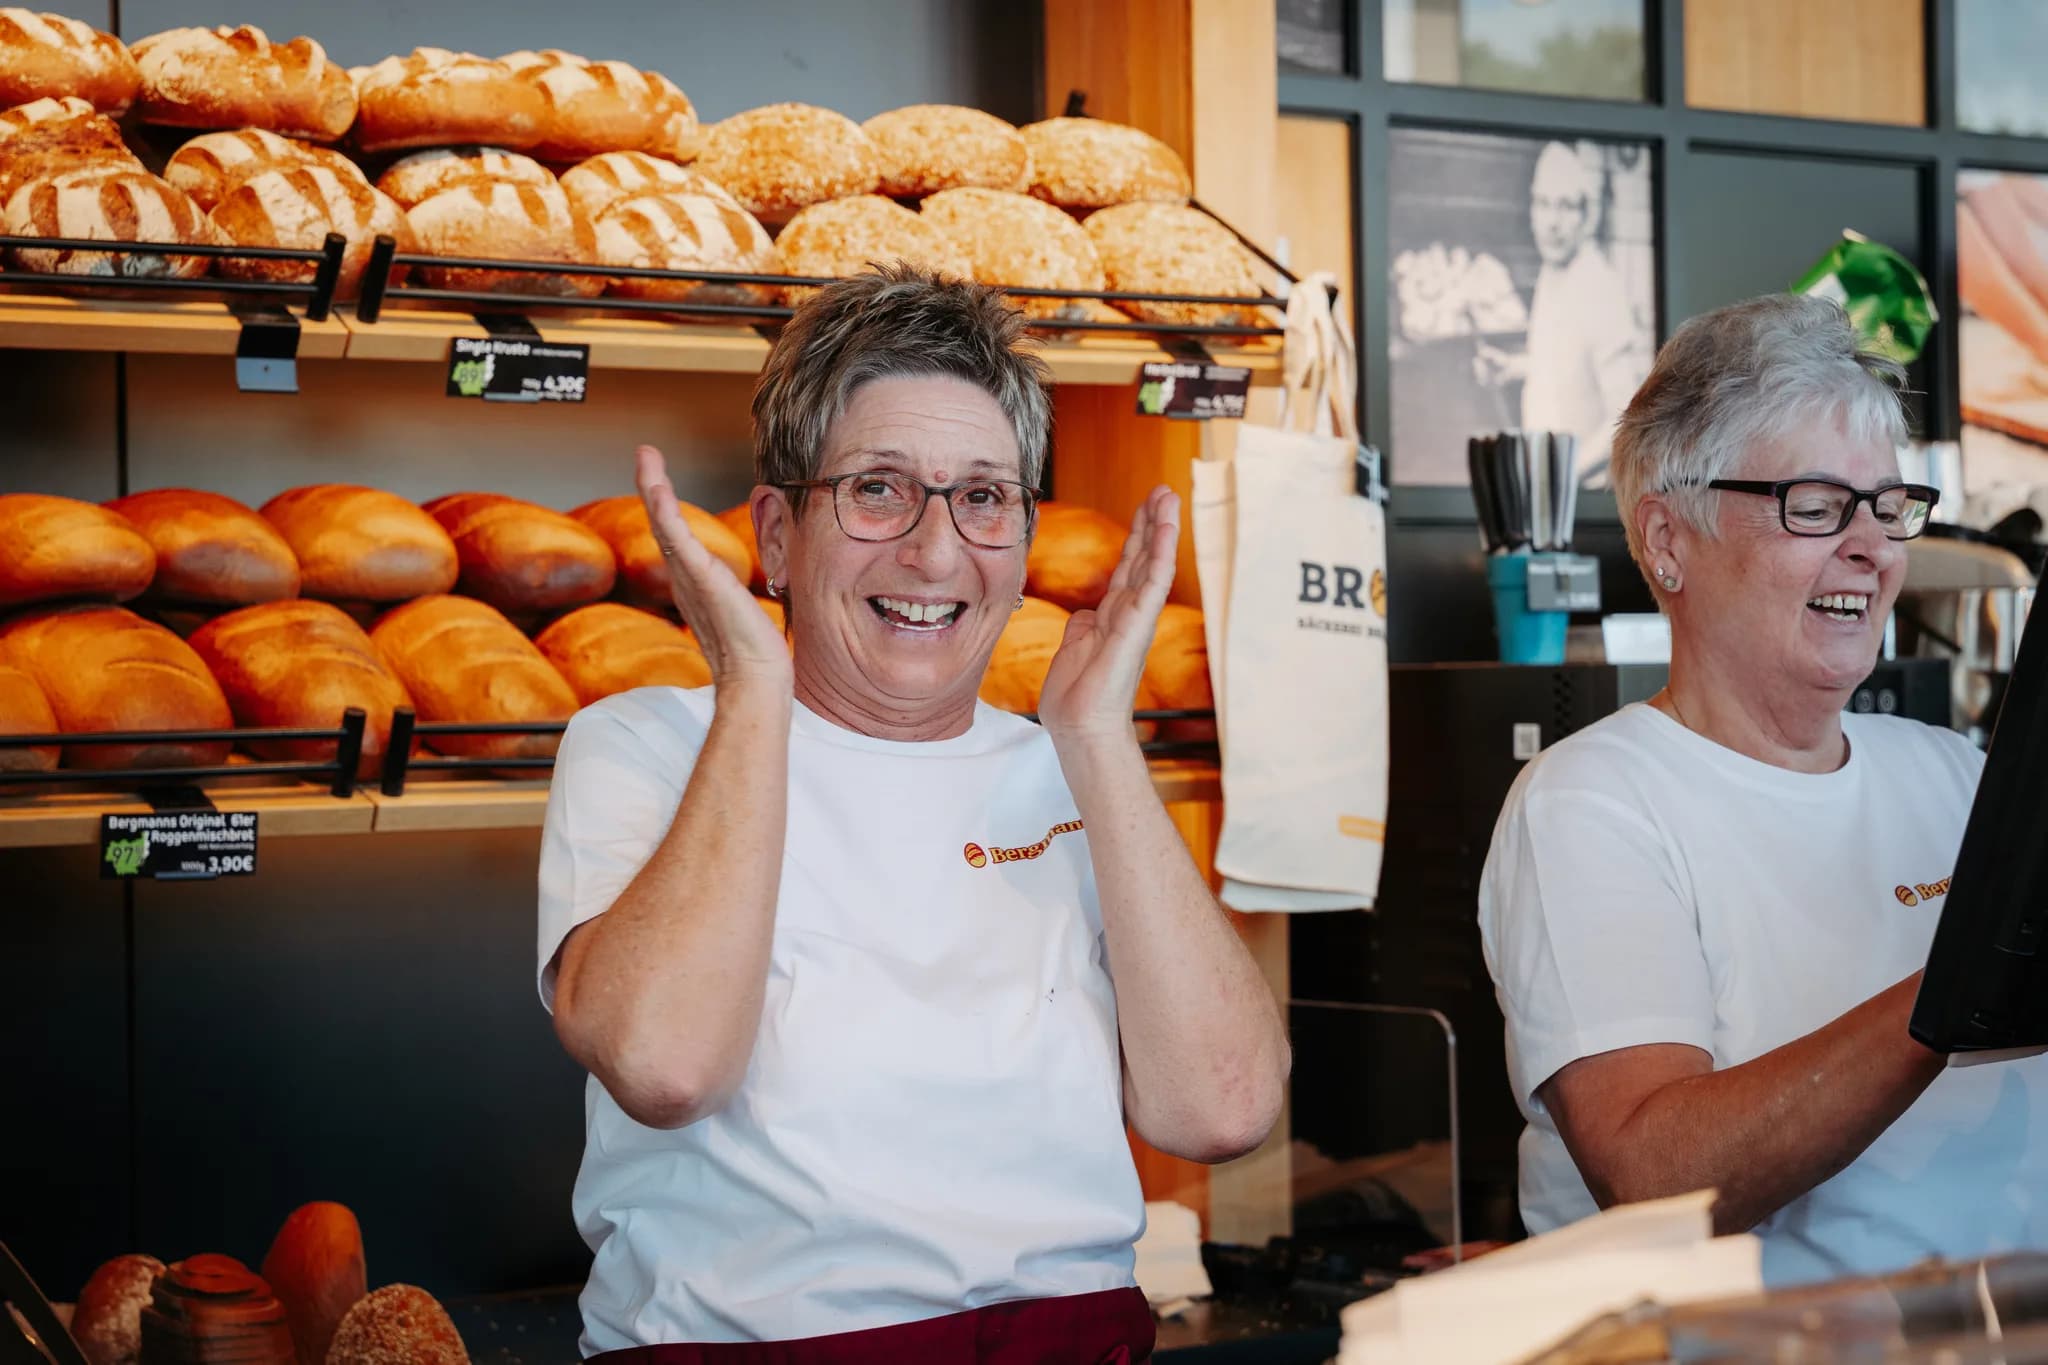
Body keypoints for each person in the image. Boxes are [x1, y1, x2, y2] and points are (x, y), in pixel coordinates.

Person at [536, 265, 1290, 1358]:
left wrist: (1096, 744)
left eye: (982, 496)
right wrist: (755, 693)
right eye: (878, 489)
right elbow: (666, 1068)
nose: (935, 553)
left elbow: (1219, 1113)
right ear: (778, 534)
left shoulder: (1069, 769)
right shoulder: (643, 746)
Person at [1478, 293, 2048, 1287]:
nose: (1870, 548)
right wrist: (1964, 987)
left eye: (1885, 506)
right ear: (1665, 539)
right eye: (1817, 507)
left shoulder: (1952, 776)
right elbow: (1654, 1178)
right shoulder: (1589, 804)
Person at [1474, 140, 1651, 481]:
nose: (1552, 221)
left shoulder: (1598, 287)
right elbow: (1566, 364)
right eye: (1543, 204)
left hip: (1582, 497)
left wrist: (1563, 478)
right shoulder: (1552, 270)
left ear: (1585, 216)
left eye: (1565, 206)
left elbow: (1628, 418)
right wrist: (1512, 368)